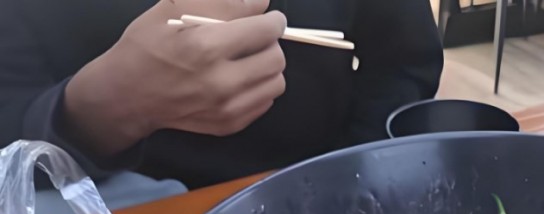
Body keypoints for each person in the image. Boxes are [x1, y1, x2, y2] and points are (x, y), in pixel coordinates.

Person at [0, 0, 443, 192]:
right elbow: (11, 139)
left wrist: (344, 177)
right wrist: (103, 108)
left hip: (324, 189)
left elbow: (404, 64)